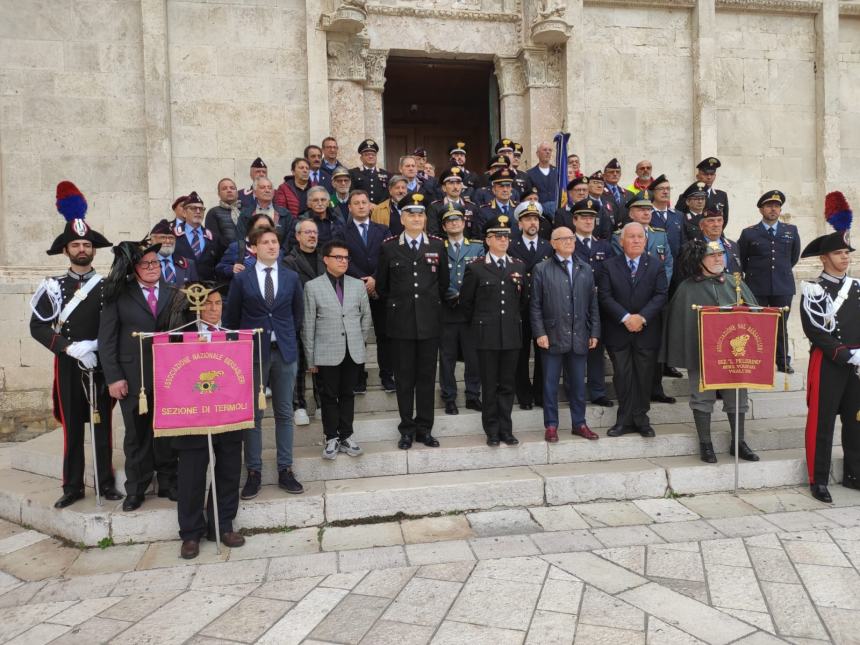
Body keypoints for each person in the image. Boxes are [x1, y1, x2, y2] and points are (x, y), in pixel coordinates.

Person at [29, 182, 122, 508]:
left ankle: (106, 482)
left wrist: (99, 350)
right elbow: (37, 327)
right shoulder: (52, 286)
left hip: (101, 362)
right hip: (70, 362)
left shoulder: (108, 285)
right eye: (76, 245)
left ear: (94, 249)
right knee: (72, 426)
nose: (82, 249)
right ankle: (72, 486)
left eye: (86, 244)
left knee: (102, 425)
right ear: (66, 250)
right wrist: (69, 348)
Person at [223, 227, 304, 499]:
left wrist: (286, 337)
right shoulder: (242, 279)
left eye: (275, 242)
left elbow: (297, 314)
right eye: (265, 242)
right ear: (253, 248)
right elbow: (232, 318)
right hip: (253, 353)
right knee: (254, 416)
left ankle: (285, 468)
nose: (271, 246)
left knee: (283, 412)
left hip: (284, 350)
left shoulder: (291, 277)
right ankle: (254, 471)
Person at [99, 238, 179, 511]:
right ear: (134, 268)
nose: (152, 267)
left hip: (168, 376)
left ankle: (168, 481)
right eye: (145, 264)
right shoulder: (119, 295)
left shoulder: (173, 292)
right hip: (132, 377)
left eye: (155, 263)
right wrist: (113, 377)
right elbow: (107, 339)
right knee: (136, 434)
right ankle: (137, 487)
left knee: (167, 431)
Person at [664, 240, 759, 464]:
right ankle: (705, 443)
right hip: (703, 354)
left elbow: (755, 313)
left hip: (734, 355)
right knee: (702, 398)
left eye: (721, 255)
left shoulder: (735, 283)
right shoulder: (687, 288)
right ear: (700, 260)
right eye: (712, 255)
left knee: (737, 397)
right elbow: (681, 324)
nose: (718, 259)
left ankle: (739, 441)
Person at [172, 284, 245, 559]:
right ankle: (190, 533)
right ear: (196, 307)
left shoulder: (233, 335)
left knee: (228, 468)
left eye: (218, 304)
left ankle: (222, 525)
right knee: (191, 473)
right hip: (192, 414)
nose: (214, 309)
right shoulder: (181, 337)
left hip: (228, 411)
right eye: (208, 304)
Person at [375, 193, 448, 450]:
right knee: (404, 380)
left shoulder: (438, 246)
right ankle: (406, 429)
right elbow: (382, 287)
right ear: (402, 218)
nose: (416, 218)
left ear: (425, 219)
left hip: (429, 322)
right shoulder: (389, 247)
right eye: (411, 214)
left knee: (426, 379)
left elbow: (444, 283)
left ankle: (424, 429)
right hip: (401, 324)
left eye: (420, 214)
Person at [798, 225, 860, 503]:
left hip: (858, 365)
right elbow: (815, 330)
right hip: (829, 362)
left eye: (847, 252)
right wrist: (846, 354)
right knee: (821, 423)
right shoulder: (812, 289)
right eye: (838, 252)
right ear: (824, 257)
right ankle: (818, 479)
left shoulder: (857, 287)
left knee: (856, 421)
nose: (845, 257)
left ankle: (854, 474)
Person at [460, 215, 528, 446]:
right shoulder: (476, 268)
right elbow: (466, 303)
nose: (503, 240)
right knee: (489, 385)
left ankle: (506, 429)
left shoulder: (518, 265)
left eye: (506, 236)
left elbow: (522, 301)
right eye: (498, 236)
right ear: (487, 240)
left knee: (507, 385)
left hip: (510, 334)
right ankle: (491, 430)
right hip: (486, 335)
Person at [596, 222, 668, 438]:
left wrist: (642, 318)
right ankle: (624, 420)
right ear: (621, 241)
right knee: (623, 376)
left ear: (645, 241)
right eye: (631, 236)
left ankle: (642, 419)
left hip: (647, 331)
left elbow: (661, 295)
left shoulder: (656, 265)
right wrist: (626, 318)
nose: (636, 240)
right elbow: (605, 296)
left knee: (644, 377)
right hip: (619, 331)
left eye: (640, 237)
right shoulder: (609, 266)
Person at [303, 240, 372, 460]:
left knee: (348, 394)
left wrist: (360, 345)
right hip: (326, 351)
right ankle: (331, 437)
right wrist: (310, 358)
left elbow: (365, 318)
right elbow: (308, 324)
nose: (343, 261)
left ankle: (347, 435)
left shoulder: (357, 285)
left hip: (352, 350)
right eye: (338, 257)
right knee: (329, 395)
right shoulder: (312, 287)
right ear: (326, 260)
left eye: (346, 258)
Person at [531, 226, 601, 443]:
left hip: (579, 334)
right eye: (564, 239)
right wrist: (540, 332)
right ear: (553, 243)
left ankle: (579, 423)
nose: (570, 242)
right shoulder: (542, 269)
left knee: (578, 384)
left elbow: (593, 304)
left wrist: (595, 331)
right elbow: (535, 306)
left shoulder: (585, 268)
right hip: (552, 335)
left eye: (571, 238)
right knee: (550, 384)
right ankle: (551, 425)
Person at [738, 190, 800, 374]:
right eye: (769, 206)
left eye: (776, 206)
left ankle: (783, 362)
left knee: (781, 326)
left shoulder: (791, 230)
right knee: (756, 326)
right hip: (757, 288)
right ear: (761, 210)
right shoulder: (749, 233)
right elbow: (741, 259)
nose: (773, 209)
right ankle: (758, 362)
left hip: (783, 286)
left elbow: (793, 257)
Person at [342, 190, 395, 394]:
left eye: (364, 202)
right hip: (354, 290)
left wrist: (375, 279)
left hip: (379, 290)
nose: (361, 206)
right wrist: (363, 281)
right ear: (350, 207)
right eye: (357, 203)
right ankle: (358, 378)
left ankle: (387, 376)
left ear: (370, 205)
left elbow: (388, 257)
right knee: (357, 336)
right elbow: (344, 259)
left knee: (384, 335)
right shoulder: (342, 232)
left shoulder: (382, 230)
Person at [438, 207, 484, 415]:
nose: (454, 223)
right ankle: (449, 397)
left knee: (473, 357)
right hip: (447, 311)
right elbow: (435, 276)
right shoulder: (438, 247)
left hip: (469, 312)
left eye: (458, 220)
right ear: (444, 226)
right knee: (447, 358)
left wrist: (464, 297)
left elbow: (481, 275)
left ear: (464, 223)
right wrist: (450, 294)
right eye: (450, 221)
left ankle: (473, 395)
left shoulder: (477, 248)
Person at [569, 198, 614, 408]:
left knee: (596, 349)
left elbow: (610, 272)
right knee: (574, 350)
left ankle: (597, 391)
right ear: (574, 220)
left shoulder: (603, 245)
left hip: (598, 305)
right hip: (573, 303)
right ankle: (573, 391)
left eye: (592, 218)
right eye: (584, 217)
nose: (588, 221)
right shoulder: (568, 243)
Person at [508, 202, 552, 410]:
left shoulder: (548, 246)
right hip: (519, 306)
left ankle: (540, 394)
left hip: (543, 307)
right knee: (521, 353)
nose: (532, 222)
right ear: (520, 223)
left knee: (543, 352)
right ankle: (524, 395)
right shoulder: (509, 245)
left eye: (535, 219)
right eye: (527, 219)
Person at [283, 218, 325, 426]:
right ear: (298, 236)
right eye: (307, 232)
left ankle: (320, 403)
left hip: (322, 318)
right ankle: (298, 405)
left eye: (314, 233)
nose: (312, 236)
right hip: (298, 318)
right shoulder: (289, 261)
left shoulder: (324, 257)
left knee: (322, 363)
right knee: (299, 364)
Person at [174, 191, 222, 281]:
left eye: (201, 209)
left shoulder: (213, 237)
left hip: (208, 290)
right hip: (181, 290)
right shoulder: (173, 236)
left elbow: (218, 265)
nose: (198, 211)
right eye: (193, 208)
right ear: (184, 212)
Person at [215, 213, 275, 283]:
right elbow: (219, 268)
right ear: (251, 229)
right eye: (260, 227)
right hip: (243, 291)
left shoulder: (275, 249)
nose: (264, 231)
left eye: (268, 228)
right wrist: (232, 269)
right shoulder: (237, 247)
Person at [426, 166, 480, 239]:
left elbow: (476, 235)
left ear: (462, 186)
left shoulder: (472, 207)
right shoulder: (434, 207)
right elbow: (433, 235)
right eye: (451, 183)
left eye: (458, 183)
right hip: (443, 248)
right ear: (444, 188)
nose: (455, 187)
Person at [237, 176, 294, 243]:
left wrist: (280, 252)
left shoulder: (285, 214)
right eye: (262, 187)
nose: (267, 190)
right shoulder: (245, 214)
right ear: (255, 193)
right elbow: (241, 239)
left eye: (270, 188)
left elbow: (289, 240)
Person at [676, 157, 729, 227]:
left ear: (715, 176)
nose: (709, 177)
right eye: (705, 174)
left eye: (712, 174)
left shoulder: (722, 195)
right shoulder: (686, 196)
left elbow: (724, 220)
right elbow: (678, 219)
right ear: (697, 176)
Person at [294, 186, 344, 252]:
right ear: (309, 204)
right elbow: (293, 246)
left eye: (323, 200)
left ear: (328, 202)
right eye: (315, 200)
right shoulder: (301, 222)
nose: (320, 203)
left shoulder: (337, 221)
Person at [149, 219, 198, 286]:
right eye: (163, 237)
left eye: (171, 238)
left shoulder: (189, 264)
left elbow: (195, 290)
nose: (168, 241)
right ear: (153, 240)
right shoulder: (144, 264)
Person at [697, 209, 742, 275]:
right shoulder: (693, 248)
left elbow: (739, 272)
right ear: (701, 225)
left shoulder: (733, 245)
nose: (716, 224)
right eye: (711, 221)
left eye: (719, 220)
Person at [476, 168, 518, 233]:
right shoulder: (484, 211)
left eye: (508, 186)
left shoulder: (518, 209)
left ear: (511, 189)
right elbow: (482, 236)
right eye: (501, 186)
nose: (505, 190)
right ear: (494, 190)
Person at [350, 139, 390, 204]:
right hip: (361, 209)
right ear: (361, 158)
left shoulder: (386, 174)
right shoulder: (353, 173)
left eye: (373, 154)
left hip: (381, 211)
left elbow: (388, 194)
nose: (370, 156)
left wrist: (379, 207)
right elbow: (351, 193)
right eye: (367, 154)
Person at [526, 141, 558, 217]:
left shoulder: (558, 172)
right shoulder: (530, 174)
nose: (547, 152)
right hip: (539, 213)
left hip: (557, 212)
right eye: (544, 150)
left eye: (550, 150)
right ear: (537, 154)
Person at [205, 177, 241, 245]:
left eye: (232, 188)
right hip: (225, 254)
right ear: (219, 194)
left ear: (237, 192)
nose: (229, 190)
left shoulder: (247, 211)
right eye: (224, 189)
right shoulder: (213, 212)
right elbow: (213, 239)